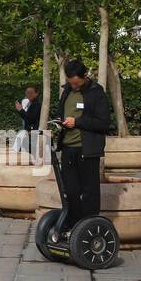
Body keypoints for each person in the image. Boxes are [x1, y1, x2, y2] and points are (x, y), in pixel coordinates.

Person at [53, 59, 110, 231]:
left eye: (76, 83)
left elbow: (103, 123)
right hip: (68, 149)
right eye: (71, 83)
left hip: (87, 150)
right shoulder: (67, 91)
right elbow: (61, 111)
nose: (74, 86)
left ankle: (90, 228)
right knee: (70, 191)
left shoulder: (96, 93)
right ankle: (73, 226)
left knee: (89, 193)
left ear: (85, 76)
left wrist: (77, 122)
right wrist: (60, 122)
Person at [17, 86, 42, 153]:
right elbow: (27, 118)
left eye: (31, 93)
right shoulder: (31, 103)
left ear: (36, 93)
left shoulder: (36, 104)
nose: (29, 95)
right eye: (27, 93)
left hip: (34, 131)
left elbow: (31, 118)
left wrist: (21, 110)